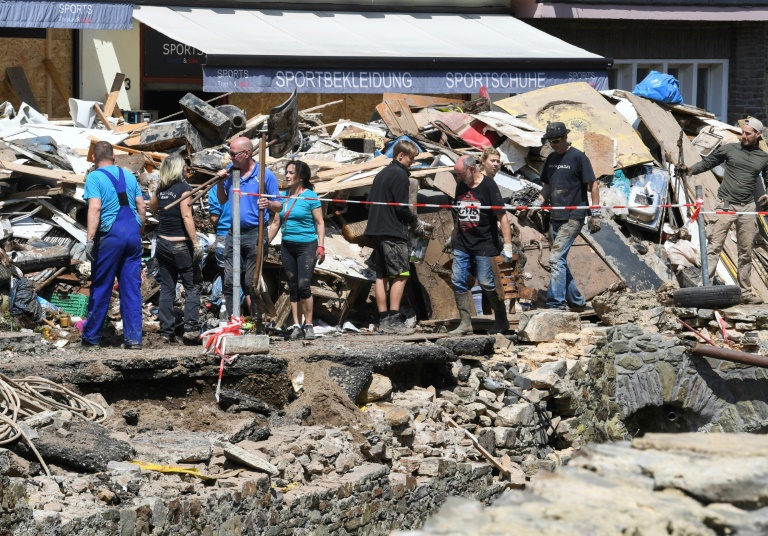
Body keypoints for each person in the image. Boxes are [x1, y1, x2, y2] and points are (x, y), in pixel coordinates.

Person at [685, 117, 768, 304]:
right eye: (743, 132)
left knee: (746, 251)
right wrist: (690, 170)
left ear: (757, 134)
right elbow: (708, 162)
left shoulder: (763, 157)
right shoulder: (730, 149)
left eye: (748, 133)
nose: (743, 136)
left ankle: (745, 293)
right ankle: (703, 287)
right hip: (726, 204)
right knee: (714, 246)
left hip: (748, 207)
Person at [364, 139, 433, 335]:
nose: (413, 162)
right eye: (411, 159)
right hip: (392, 231)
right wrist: (415, 222)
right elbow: (401, 207)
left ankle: (383, 318)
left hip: (376, 231)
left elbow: (368, 205)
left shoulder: (381, 174)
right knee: (402, 273)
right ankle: (393, 319)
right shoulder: (400, 175)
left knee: (381, 275)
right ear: (400, 155)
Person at [82, 141, 146, 349]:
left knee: (102, 285)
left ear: (93, 158)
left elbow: (95, 208)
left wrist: (90, 239)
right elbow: (141, 206)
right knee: (131, 288)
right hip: (132, 234)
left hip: (110, 236)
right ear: (114, 157)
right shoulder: (129, 176)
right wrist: (138, 232)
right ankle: (134, 339)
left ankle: (92, 338)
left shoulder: (94, 177)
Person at [531, 121, 600, 312]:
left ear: (565, 137)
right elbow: (546, 187)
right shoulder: (551, 159)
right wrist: (537, 203)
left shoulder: (578, 157)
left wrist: (595, 213)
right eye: (550, 141)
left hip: (573, 216)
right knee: (559, 260)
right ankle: (576, 301)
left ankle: (556, 303)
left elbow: (593, 184)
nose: (553, 144)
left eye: (556, 141)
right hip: (556, 216)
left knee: (555, 258)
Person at [446, 155, 515, 336]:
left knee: (486, 282)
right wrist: (453, 236)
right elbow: (459, 213)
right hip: (463, 242)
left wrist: (508, 246)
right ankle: (465, 323)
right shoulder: (461, 185)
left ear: (472, 169)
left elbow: (502, 216)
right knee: (457, 279)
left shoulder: (488, 186)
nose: (458, 177)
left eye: (460, 173)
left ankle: (501, 319)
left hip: (484, 242)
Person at [215, 136, 282, 318]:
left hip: (255, 233)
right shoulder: (231, 172)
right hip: (233, 233)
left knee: (251, 281)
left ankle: (256, 319)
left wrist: (268, 203)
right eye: (229, 153)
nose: (230, 157)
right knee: (230, 279)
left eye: (233, 154)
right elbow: (222, 200)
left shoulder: (264, 175)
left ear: (246, 153)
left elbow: (279, 205)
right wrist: (220, 183)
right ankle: (233, 319)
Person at [268, 160, 325, 340]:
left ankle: (309, 325)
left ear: (301, 176)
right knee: (292, 286)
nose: (287, 176)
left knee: (303, 285)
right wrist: (265, 243)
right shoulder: (283, 197)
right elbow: (276, 223)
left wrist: (321, 245)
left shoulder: (310, 196)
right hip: (287, 245)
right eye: (286, 172)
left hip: (307, 245)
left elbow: (320, 223)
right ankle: (296, 325)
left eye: (291, 173)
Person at [149, 154, 202, 344]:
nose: (186, 170)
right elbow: (187, 217)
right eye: (184, 167)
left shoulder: (161, 189)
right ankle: (191, 329)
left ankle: (166, 331)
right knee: (192, 286)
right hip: (181, 245)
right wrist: (196, 243)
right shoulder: (184, 189)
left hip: (163, 243)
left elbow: (152, 207)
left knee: (167, 287)